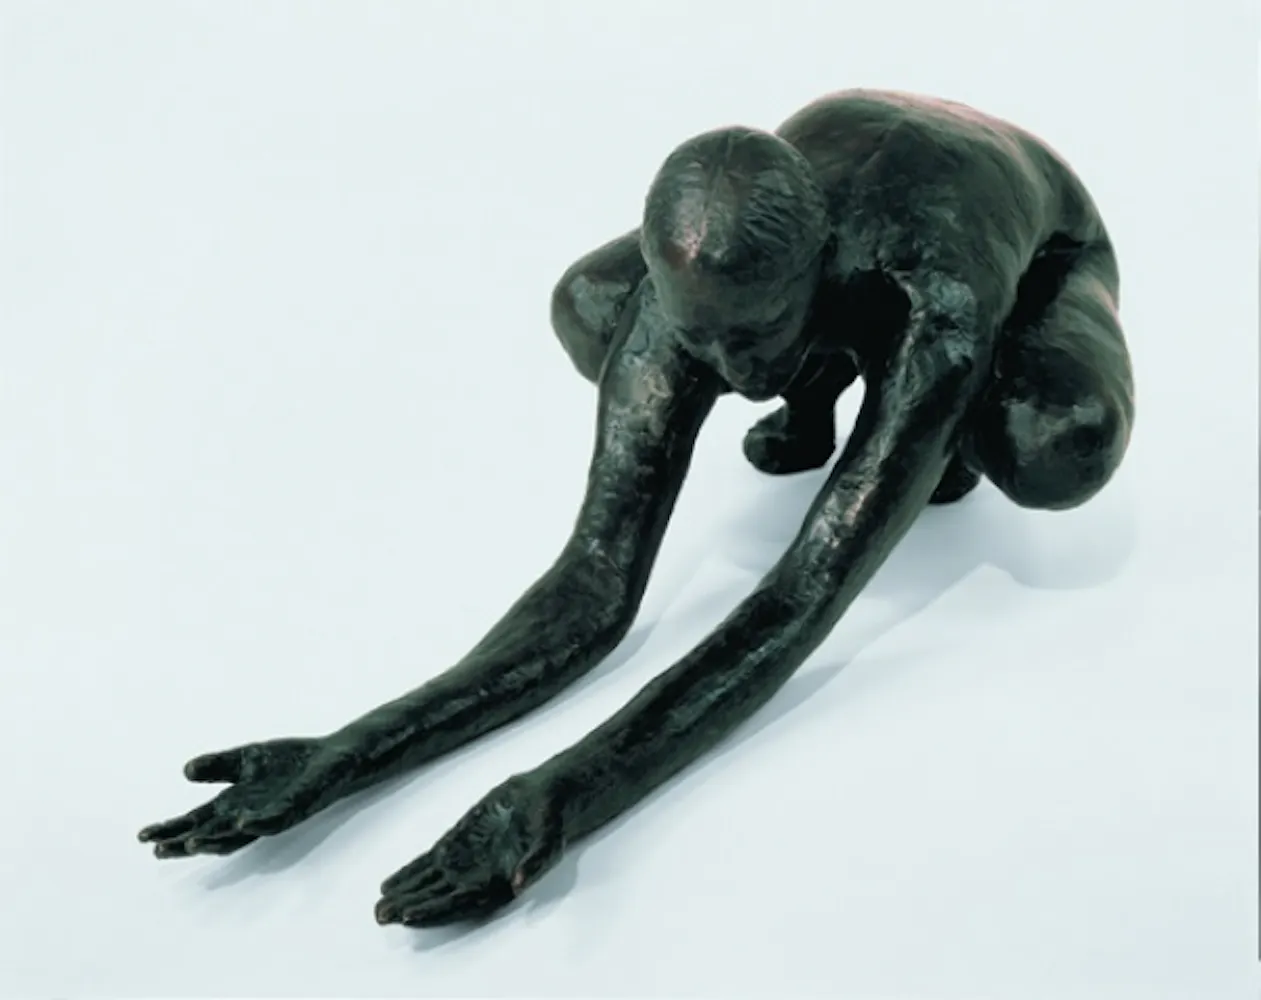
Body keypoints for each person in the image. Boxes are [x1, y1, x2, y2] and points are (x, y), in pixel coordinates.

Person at [139, 89, 1134, 928]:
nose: (732, 371)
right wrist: (345, 751)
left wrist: (563, 795)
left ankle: (928, 437)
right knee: (586, 302)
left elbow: (795, 602)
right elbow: (592, 584)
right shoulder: (679, 299)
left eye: (757, 338)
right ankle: (817, 399)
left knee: (1055, 444)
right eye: (708, 343)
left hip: (1037, 247)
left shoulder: (933, 301)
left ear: (818, 272)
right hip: (829, 237)